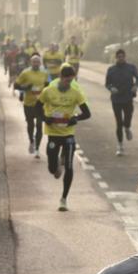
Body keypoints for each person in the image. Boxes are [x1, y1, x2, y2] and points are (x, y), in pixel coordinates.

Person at [34, 64, 91, 211]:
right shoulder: (48, 91)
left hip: (68, 134)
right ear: (60, 77)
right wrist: (45, 118)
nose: (68, 84)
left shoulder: (75, 93)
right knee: (52, 169)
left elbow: (87, 113)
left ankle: (64, 199)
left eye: (71, 81)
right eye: (66, 80)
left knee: (70, 166)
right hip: (53, 133)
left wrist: (75, 118)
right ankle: (57, 164)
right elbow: (37, 107)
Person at [106, 48, 138, 156]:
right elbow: (107, 84)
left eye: (122, 57)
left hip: (128, 97)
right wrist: (111, 88)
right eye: (119, 57)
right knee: (119, 123)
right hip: (116, 99)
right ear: (116, 58)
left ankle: (127, 128)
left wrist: (136, 86)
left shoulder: (131, 67)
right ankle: (120, 146)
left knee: (128, 118)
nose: (121, 59)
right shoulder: (111, 69)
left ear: (125, 57)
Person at [13, 53, 50, 157]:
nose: (36, 64)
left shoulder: (44, 73)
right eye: (34, 62)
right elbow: (16, 85)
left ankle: (37, 149)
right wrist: (25, 88)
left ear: (40, 63)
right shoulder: (25, 73)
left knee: (39, 125)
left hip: (40, 104)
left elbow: (48, 86)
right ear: (30, 62)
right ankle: (31, 141)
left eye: (38, 62)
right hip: (28, 103)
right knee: (30, 125)